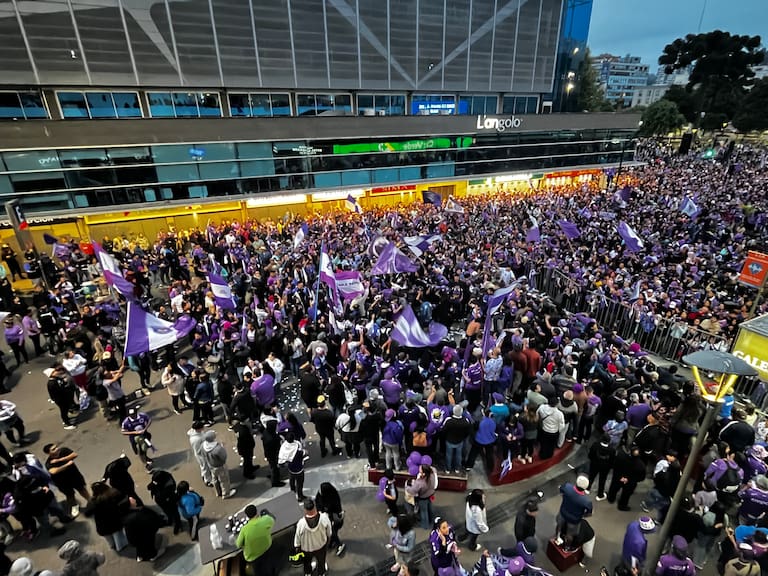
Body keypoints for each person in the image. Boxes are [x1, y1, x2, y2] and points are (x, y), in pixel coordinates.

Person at [42, 442, 90, 518]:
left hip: (75, 476)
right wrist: (67, 465)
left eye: (56, 447)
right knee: (70, 496)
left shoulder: (64, 451)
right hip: (63, 482)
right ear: (48, 453)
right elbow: (53, 471)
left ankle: (92, 502)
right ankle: (74, 508)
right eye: (53, 449)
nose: (57, 449)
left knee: (82, 490)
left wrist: (60, 460)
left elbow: (74, 455)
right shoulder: (48, 463)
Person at [294, 498, 332, 576]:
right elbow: (329, 533)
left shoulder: (301, 523)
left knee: (307, 562)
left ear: (305, 509)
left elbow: (297, 538)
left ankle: (308, 573)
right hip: (320, 547)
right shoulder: (324, 518)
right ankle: (321, 573)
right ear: (314, 506)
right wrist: (327, 542)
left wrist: (297, 547)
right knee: (321, 561)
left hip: (306, 549)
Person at [237, 504, 277, 576]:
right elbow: (273, 520)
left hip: (253, 557)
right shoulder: (266, 520)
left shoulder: (244, 529)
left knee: (258, 571)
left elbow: (238, 544)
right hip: (266, 548)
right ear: (256, 511)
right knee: (268, 565)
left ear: (247, 516)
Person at [88, 481, 129, 552]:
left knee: (109, 538)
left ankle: (112, 545)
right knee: (118, 537)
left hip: (101, 525)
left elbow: (88, 512)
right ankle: (121, 546)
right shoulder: (112, 497)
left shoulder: (93, 501)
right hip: (114, 523)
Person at [123, 497, 166, 562]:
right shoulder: (139, 514)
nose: (135, 500)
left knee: (139, 547)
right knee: (148, 544)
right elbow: (149, 522)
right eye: (132, 500)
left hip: (133, 538)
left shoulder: (127, 515)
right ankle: (153, 556)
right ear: (130, 505)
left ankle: (140, 556)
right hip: (144, 535)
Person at [608, 444, 647, 511]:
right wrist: (628, 479)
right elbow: (641, 477)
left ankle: (611, 498)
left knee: (614, 489)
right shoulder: (641, 465)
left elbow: (615, 467)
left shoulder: (622, 457)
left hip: (619, 478)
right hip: (630, 482)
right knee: (626, 494)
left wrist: (621, 477)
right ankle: (622, 506)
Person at [556, 475, 592, 543]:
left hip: (563, 513)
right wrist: (582, 515)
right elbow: (589, 513)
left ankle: (557, 537)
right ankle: (567, 546)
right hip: (574, 520)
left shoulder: (567, 487)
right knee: (570, 534)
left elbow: (560, 490)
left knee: (559, 526)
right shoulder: (586, 501)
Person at [202, 430, 236, 499]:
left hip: (211, 465)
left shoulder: (203, 446)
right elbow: (223, 457)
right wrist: (222, 447)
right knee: (224, 480)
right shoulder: (217, 448)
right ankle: (226, 494)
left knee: (215, 479)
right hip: (220, 466)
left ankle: (218, 492)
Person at [316, 481, 346, 556]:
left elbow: (337, 510)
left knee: (332, 531)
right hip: (325, 516)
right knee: (331, 532)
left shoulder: (334, 498)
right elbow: (318, 504)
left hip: (333, 517)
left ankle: (338, 544)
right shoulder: (320, 494)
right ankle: (333, 542)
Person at [147, 469, 181, 535]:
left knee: (174, 512)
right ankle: (170, 520)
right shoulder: (158, 477)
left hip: (169, 500)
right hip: (161, 501)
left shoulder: (169, 484)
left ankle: (178, 524)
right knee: (167, 511)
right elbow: (153, 484)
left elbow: (166, 494)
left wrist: (156, 488)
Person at [405, 464, 438, 530]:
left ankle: (425, 525)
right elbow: (432, 468)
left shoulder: (420, 483)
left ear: (423, 473)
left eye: (420, 470)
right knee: (430, 508)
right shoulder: (432, 474)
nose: (419, 470)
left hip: (423, 498)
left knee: (424, 512)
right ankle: (432, 520)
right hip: (431, 494)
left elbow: (412, 491)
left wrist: (407, 487)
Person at [46, 365, 77, 430]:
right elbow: (55, 392)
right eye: (54, 372)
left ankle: (67, 419)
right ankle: (66, 424)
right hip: (60, 400)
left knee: (66, 409)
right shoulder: (51, 383)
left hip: (63, 397)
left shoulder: (56, 379)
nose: (57, 372)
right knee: (63, 410)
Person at [279, 432, 307, 502]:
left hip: (290, 468)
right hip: (299, 470)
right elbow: (305, 452)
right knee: (299, 483)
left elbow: (282, 459)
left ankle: (292, 491)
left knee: (292, 480)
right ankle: (300, 496)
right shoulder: (297, 449)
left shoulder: (284, 446)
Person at [587, 435, 615, 501]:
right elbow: (612, 461)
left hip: (594, 465)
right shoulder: (612, 450)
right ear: (609, 441)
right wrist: (609, 467)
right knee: (602, 480)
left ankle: (587, 489)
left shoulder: (595, 445)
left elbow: (590, 455)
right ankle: (600, 495)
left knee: (591, 476)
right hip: (605, 468)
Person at [187, 421, 214, 487]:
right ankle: (207, 480)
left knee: (205, 466)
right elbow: (198, 449)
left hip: (203, 453)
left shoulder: (198, 433)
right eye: (202, 427)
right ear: (198, 428)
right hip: (201, 455)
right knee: (205, 467)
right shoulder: (195, 439)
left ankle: (205, 476)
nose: (203, 428)